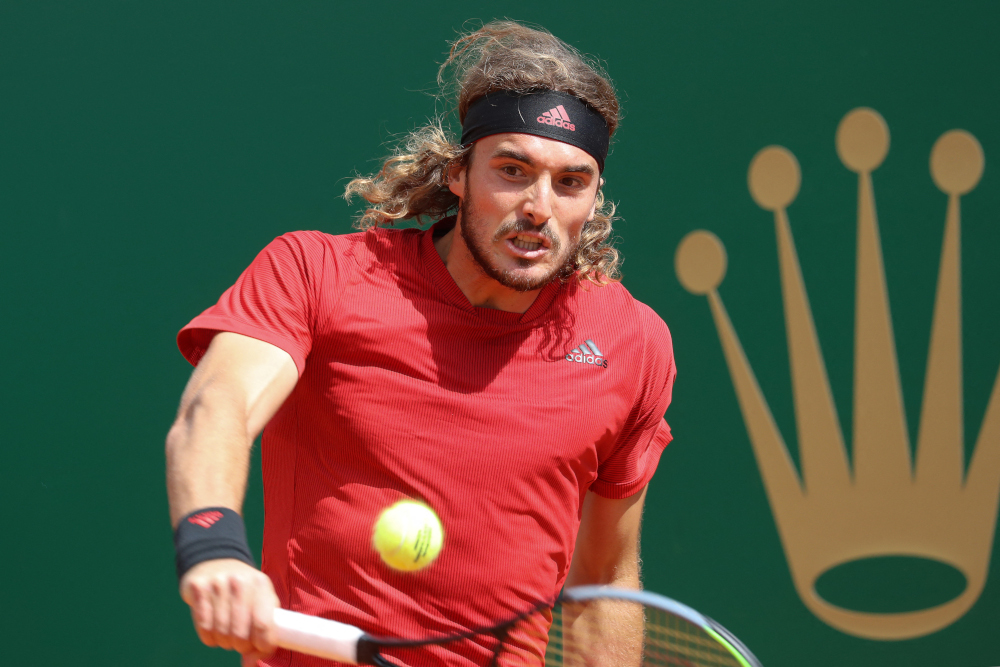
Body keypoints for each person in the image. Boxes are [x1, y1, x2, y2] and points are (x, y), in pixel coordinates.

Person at [166, 20, 676, 666]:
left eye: (571, 182)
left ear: (596, 195)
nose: (539, 207)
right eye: (512, 170)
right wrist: (214, 547)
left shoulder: (632, 342)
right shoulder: (317, 274)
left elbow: (603, 586)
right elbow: (218, 407)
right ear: (458, 173)